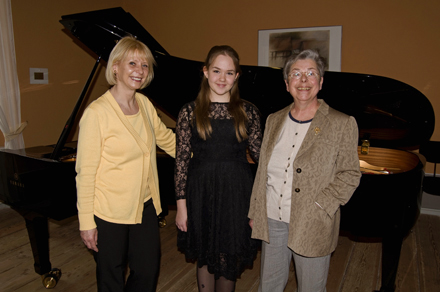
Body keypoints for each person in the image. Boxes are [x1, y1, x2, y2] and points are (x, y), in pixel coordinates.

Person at [248, 49, 361, 292]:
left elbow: (350, 173)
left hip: (312, 221)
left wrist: (322, 206)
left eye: (311, 73)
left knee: (310, 288)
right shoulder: (273, 119)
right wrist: (256, 209)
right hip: (272, 219)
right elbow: (263, 171)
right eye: (296, 74)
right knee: (268, 286)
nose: (303, 80)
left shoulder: (341, 123)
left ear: (320, 82)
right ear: (287, 83)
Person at [76, 36, 175, 292]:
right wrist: (86, 222)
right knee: (112, 277)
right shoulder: (96, 114)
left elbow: (166, 138)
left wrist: (204, 155)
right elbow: (85, 173)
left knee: (147, 271)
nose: (139, 71)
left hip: (145, 207)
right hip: (109, 212)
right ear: (116, 66)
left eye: (144, 66)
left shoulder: (143, 103)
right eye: (133, 63)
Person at [175, 45, 262, 292]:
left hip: (237, 194)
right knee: (205, 252)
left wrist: (258, 206)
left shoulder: (249, 112)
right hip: (200, 193)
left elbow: (263, 162)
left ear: (237, 76)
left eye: (229, 72)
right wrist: (181, 208)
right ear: (205, 72)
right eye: (216, 71)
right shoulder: (189, 112)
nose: (222, 79)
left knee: (229, 253)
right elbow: (181, 161)